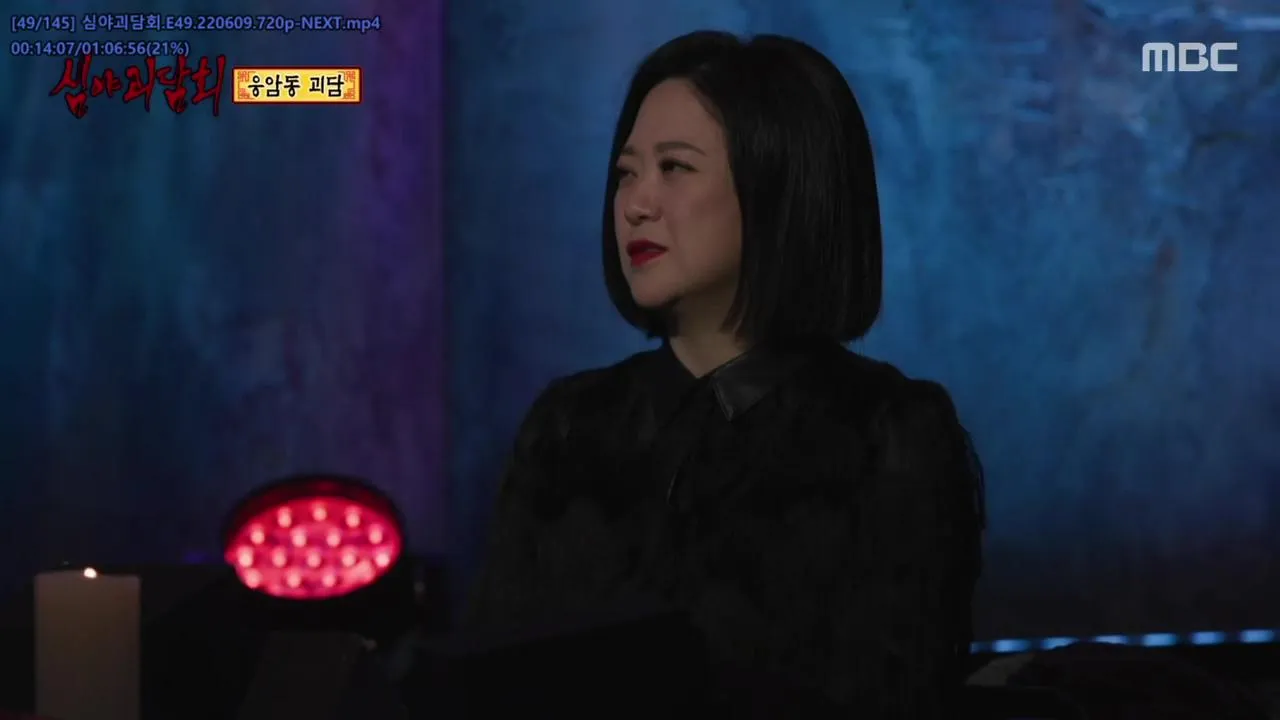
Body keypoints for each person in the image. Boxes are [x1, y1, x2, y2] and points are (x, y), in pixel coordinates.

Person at [463, 30, 985, 717]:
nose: (636, 204)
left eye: (675, 168)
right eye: (626, 173)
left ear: (779, 187)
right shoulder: (567, 429)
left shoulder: (887, 434)